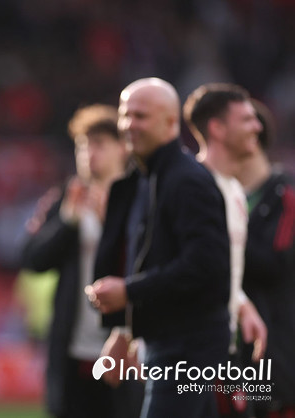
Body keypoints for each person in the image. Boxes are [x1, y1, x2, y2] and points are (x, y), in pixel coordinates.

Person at [86, 77, 231, 418]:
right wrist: (124, 329)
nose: (129, 125)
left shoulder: (186, 180)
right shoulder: (145, 179)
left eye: (141, 116)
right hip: (169, 342)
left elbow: (206, 265)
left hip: (187, 347)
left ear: (171, 122)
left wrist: (129, 292)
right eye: (125, 115)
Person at [21, 104, 135, 418]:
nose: (88, 154)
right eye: (82, 146)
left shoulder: (138, 198)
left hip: (123, 346)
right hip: (71, 347)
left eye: (98, 144)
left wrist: (110, 223)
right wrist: (67, 223)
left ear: (123, 148)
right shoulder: (66, 197)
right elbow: (32, 259)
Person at [183, 83, 268, 417]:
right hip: (188, 355)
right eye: (246, 119)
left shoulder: (233, 191)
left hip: (223, 349)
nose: (257, 127)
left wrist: (243, 305)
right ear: (217, 128)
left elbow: (218, 267)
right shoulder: (187, 187)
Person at [236, 99, 295, 418]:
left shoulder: (287, 193)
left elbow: (276, 263)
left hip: (279, 355)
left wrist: (227, 231)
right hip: (226, 357)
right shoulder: (215, 196)